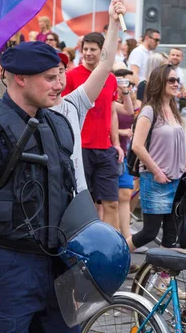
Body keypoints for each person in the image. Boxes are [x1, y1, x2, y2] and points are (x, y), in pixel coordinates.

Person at [0, 0, 127, 333]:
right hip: (5, 266)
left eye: (59, 75)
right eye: (49, 78)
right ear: (19, 79)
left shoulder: (59, 124)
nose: (59, 84)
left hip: (57, 267)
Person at [62, 32, 124, 229]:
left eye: (93, 49)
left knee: (112, 203)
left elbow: (112, 111)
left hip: (105, 150)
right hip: (80, 149)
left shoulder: (111, 78)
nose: (88, 53)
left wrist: (116, 144)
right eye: (85, 49)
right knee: (84, 205)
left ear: (101, 51)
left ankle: (114, 253)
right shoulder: (71, 76)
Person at [126, 64, 186, 254]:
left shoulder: (173, 109)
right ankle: (115, 257)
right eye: (171, 80)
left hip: (176, 179)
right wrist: (157, 171)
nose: (176, 84)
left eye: (177, 80)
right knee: (149, 232)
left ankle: (160, 279)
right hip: (155, 180)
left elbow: (177, 141)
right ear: (159, 82)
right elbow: (137, 145)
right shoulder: (149, 111)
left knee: (171, 235)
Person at [113, 67, 139, 241]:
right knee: (110, 201)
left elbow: (131, 112)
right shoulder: (111, 100)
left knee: (125, 195)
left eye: (130, 83)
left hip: (127, 154)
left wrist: (127, 93)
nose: (126, 85)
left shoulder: (135, 103)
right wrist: (121, 132)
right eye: (122, 81)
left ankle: (126, 237)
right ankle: (114, 237)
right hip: (111, 152)